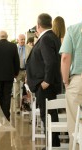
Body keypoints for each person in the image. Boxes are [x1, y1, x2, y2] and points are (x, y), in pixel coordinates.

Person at [59, 0, 82, 149]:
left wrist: (65, 81)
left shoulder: (73, 29)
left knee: (77, 128)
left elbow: (65, 57)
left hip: (79, 82)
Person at [26, 13, 62, 150]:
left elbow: (51, 61)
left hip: (46, 85)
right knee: (49, 114)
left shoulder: (46, 38)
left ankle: (52, 144)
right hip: (46, 84)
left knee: (47, 114)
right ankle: (53, 143)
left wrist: (46, 81)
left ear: (38, 25)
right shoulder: (51, 36)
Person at [0, 30, 20, 121]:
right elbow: (16, 61)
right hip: (9, 75)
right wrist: (16, 73)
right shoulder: (13, 46)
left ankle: (0, 115)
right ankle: (6, 115)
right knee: (7, 95)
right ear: (7, 36)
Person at [15, 34, 31, 113]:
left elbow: (31, 62)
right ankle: (18, 108)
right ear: (17, 40)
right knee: (17, 90)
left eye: (24, 39)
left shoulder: (29, 48)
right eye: (21, 39)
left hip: (26, 71)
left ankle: (27, 106)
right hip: (17, 72)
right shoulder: (14, 48)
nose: (23, 41)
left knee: (28, 90)